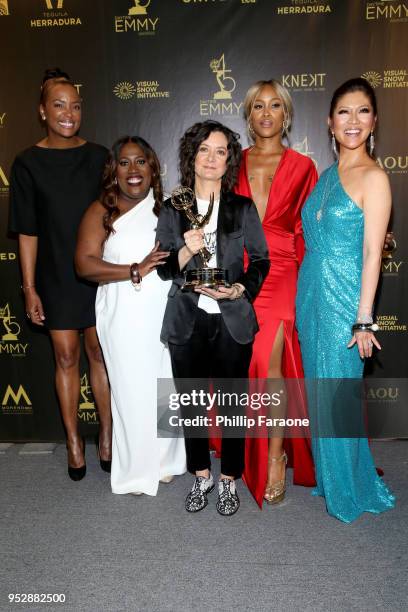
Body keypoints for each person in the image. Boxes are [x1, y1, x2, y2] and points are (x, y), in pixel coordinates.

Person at [156, 120, 270, 516]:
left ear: (228, 161)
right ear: (193, 156)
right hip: (187, 318)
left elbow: (260, 260)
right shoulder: (174, 208)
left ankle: (228, 480)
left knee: (232, 403)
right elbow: (164, 269)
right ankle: (201, 474)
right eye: (204, 149)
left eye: (219, 151)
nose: (211, 158)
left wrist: (241, 289)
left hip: (232, 318)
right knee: (191, 402)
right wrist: (186, 252)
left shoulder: (241, 208)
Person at [296, 78, 395, 522]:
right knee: (322, 393)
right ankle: (334, 479)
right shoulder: (325, 175)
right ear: (329, 123)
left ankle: (350, 489)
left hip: (345, 299)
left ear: (374, 121)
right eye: (343, 113)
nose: (352, 121)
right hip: (310, 293)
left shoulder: (375, 177)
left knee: (340, 394)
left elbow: (374, 252)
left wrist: (363, 319)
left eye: (362, 112)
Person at [8, 68, 111, 481]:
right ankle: (72, 440)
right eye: (59, 105)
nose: (69, 113)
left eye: (75, 106)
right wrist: (29, 288)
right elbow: (27, 231)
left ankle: (106, 433)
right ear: (42, 111)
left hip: (97, 273)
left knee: (99, 354)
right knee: (66, 356)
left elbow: (115, 218)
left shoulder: (100, 157)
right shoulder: (28, 163)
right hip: (54, 276)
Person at [75, 136, 186, 495]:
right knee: (131, 388)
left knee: (164, 384)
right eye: (124, 163)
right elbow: (84, 264)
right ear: (114, 171)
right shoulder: (102, 211)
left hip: (162, 307)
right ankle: (137, 468)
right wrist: (134, 269)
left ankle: (166, 461)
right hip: (122, 311)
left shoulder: (167, 208)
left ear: (153, 167)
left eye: (141, 162)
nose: (133, 170)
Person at [235, 79, 317, 507]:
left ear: (286, 115)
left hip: (284, 269)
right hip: (245, 269)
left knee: (272, 364)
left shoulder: (303, 166)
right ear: (249, 116)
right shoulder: (234, 163)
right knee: (251, 360)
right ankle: (254, 446)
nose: (266, 114)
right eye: (258, 107)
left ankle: (276, 456)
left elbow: (309, 229)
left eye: (275, 106)